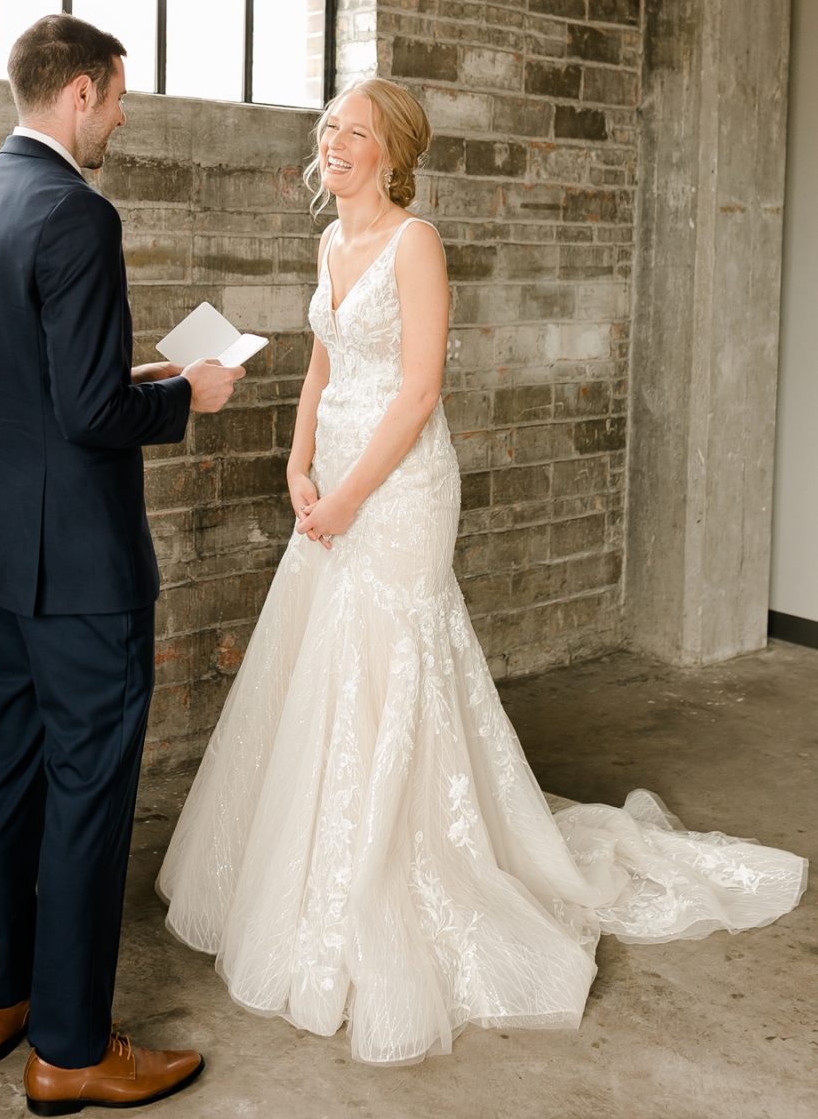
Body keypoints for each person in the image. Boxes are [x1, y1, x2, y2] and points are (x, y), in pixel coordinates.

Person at [156, 77, 808, 1067]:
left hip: (400, 488)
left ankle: (405, 864)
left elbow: (416, 391)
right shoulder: (327, 243)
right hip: (328, 478)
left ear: (391, 152)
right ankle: (310, 867)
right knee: (324, 660)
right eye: (328, 125)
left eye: (354, 131)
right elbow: (324, 365)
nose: (332, 141)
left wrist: (346, 497)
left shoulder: (413, 243)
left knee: (389, 654)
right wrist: (296, 467)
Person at [0, 14, 243, 1111]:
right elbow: (91, 410)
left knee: (10, 763)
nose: (119, 116)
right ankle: (69, 1048)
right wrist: (187, 394)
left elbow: (34, 379)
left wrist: (139, 365)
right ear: (78, 92)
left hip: (0, 557)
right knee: (87, 794)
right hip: (79, 569)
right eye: (116, 97)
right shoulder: (78, 213)